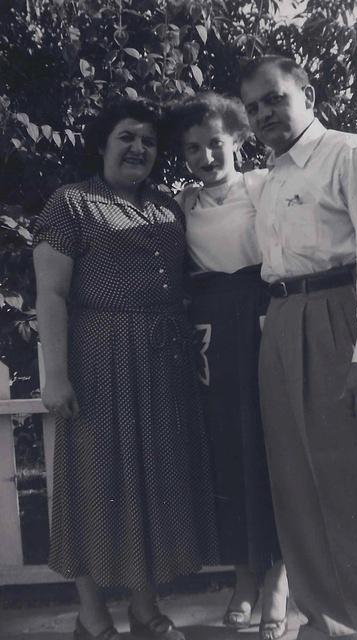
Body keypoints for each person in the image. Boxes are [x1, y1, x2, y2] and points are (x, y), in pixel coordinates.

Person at [239, 56, 357, 640]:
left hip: (345, 319)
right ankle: (325, 626)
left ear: (306, 94)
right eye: (253, 107)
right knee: (298, 488)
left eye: (274, 98)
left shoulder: (351, 154)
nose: (264, 113)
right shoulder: (271, 177)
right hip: (284, 319)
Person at [33, 97, 219, 640]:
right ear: (101, 144)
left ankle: (144, 606)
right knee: (94, 479)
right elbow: (50, 294)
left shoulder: (167, 208)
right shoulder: (71, 203)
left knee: (152, 482)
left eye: (148, 141)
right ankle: (92, 614)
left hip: (163, 361)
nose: (138, 148)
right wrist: (56, 374)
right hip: (98, 355)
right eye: (125, 137)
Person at [167, 92, 288, 640]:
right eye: (193, 148)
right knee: (230, 453)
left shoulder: (266, 184)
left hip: (265, 313)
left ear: (237, 138)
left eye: (214, 142)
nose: (205, 156)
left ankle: (279, 581)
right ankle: (243, 578)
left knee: (276, 447)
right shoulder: (180, 202)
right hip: (212, 330)